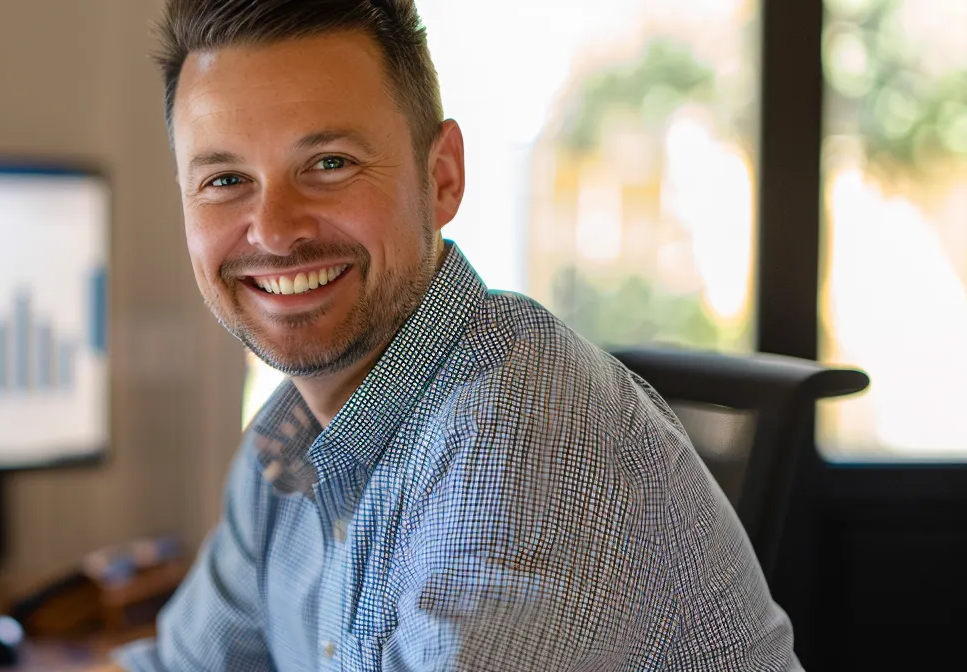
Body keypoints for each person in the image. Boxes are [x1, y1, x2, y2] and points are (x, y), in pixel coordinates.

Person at [106, 0, 801, 670]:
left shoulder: (521, 430)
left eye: (330, 163)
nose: (276, 227)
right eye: (226, 179)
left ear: (441, 178)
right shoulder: (287, 448)